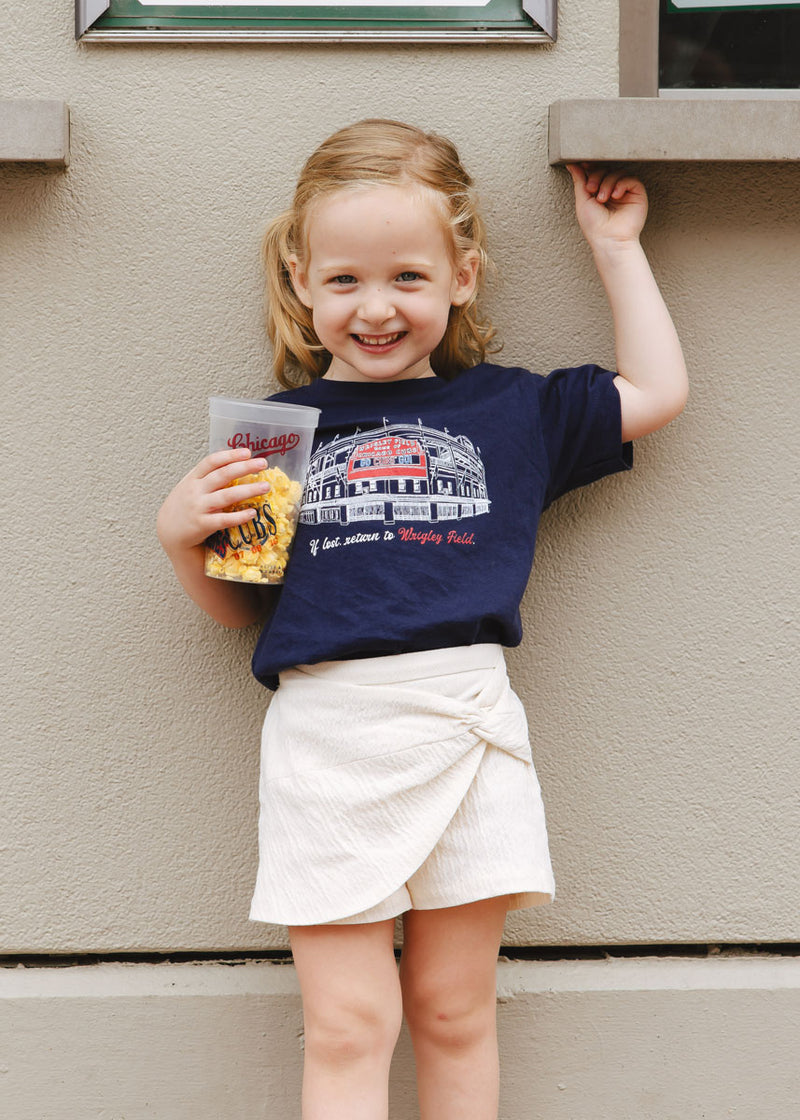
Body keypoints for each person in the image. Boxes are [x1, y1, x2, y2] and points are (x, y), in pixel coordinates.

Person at [157, 119, 688, 1120]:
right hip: (328, 741)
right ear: (302, 283)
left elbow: (656, 391)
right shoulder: (273, 437)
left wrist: (614, 248)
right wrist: (181, 538)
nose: (375, 306)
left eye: (407, 275)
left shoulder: (511, 412)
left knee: (451, 1010)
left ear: (463, 276)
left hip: (467, 724)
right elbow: (235, 613)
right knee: (352, 1023)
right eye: (345, 280)